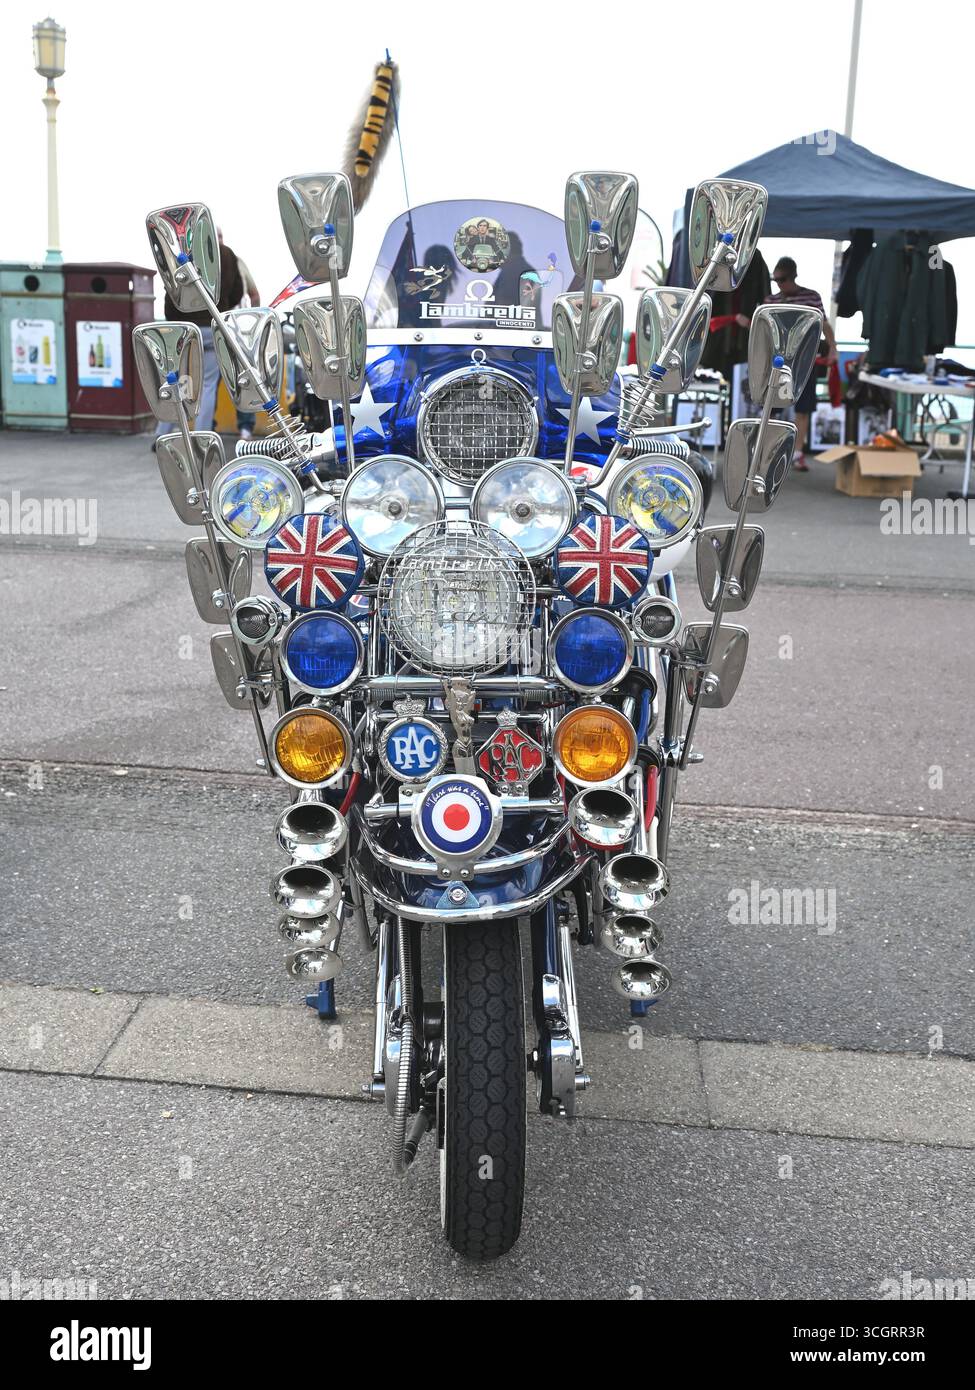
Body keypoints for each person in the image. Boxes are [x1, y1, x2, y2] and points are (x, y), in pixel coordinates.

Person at [155, 228, 244, 441]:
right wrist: (220, 308)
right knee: (208, 385)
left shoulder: (183, 257)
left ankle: (163, 434)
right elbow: (238, 291)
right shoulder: (227, 255)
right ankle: (200, 435)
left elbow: (171, 294)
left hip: (186, 330)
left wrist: (175, 321)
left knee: (180, 381)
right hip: (213, 327)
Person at [762, 257, 838, 470]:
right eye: (775, 279)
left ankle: (797, 452)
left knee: (803, 408)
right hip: (779, 362)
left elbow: (823, 323)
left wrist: (833, 347)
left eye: (782, 279)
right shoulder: (771, 301)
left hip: (805, 361)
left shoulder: (811, 297)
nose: (779, 284)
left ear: (793, 276)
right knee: (772, 408)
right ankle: (769, 452)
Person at [233, 248, 260, 440]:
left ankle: (246, 427)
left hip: (236, 326)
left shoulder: (237, 261)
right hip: (222, 326)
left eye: (220, 236)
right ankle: (208, 428)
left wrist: (251, 319)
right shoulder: (236, 262)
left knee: (244, 379)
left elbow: (254, 293)